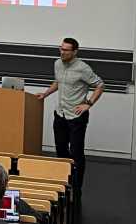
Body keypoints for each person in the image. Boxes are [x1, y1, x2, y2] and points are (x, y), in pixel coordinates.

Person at [36, 37, 105, 190]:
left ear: (74, 52)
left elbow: (99, 85)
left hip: (76, 117)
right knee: (60, 150)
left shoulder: (83, 68)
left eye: (66, 50)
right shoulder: (57, 63)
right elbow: (58, 82)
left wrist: (88, 104)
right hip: (60, 114)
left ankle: (77, 187)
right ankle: (64, 183)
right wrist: (45, 94)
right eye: (61, 48)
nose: (62, 52)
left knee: (76, 152)